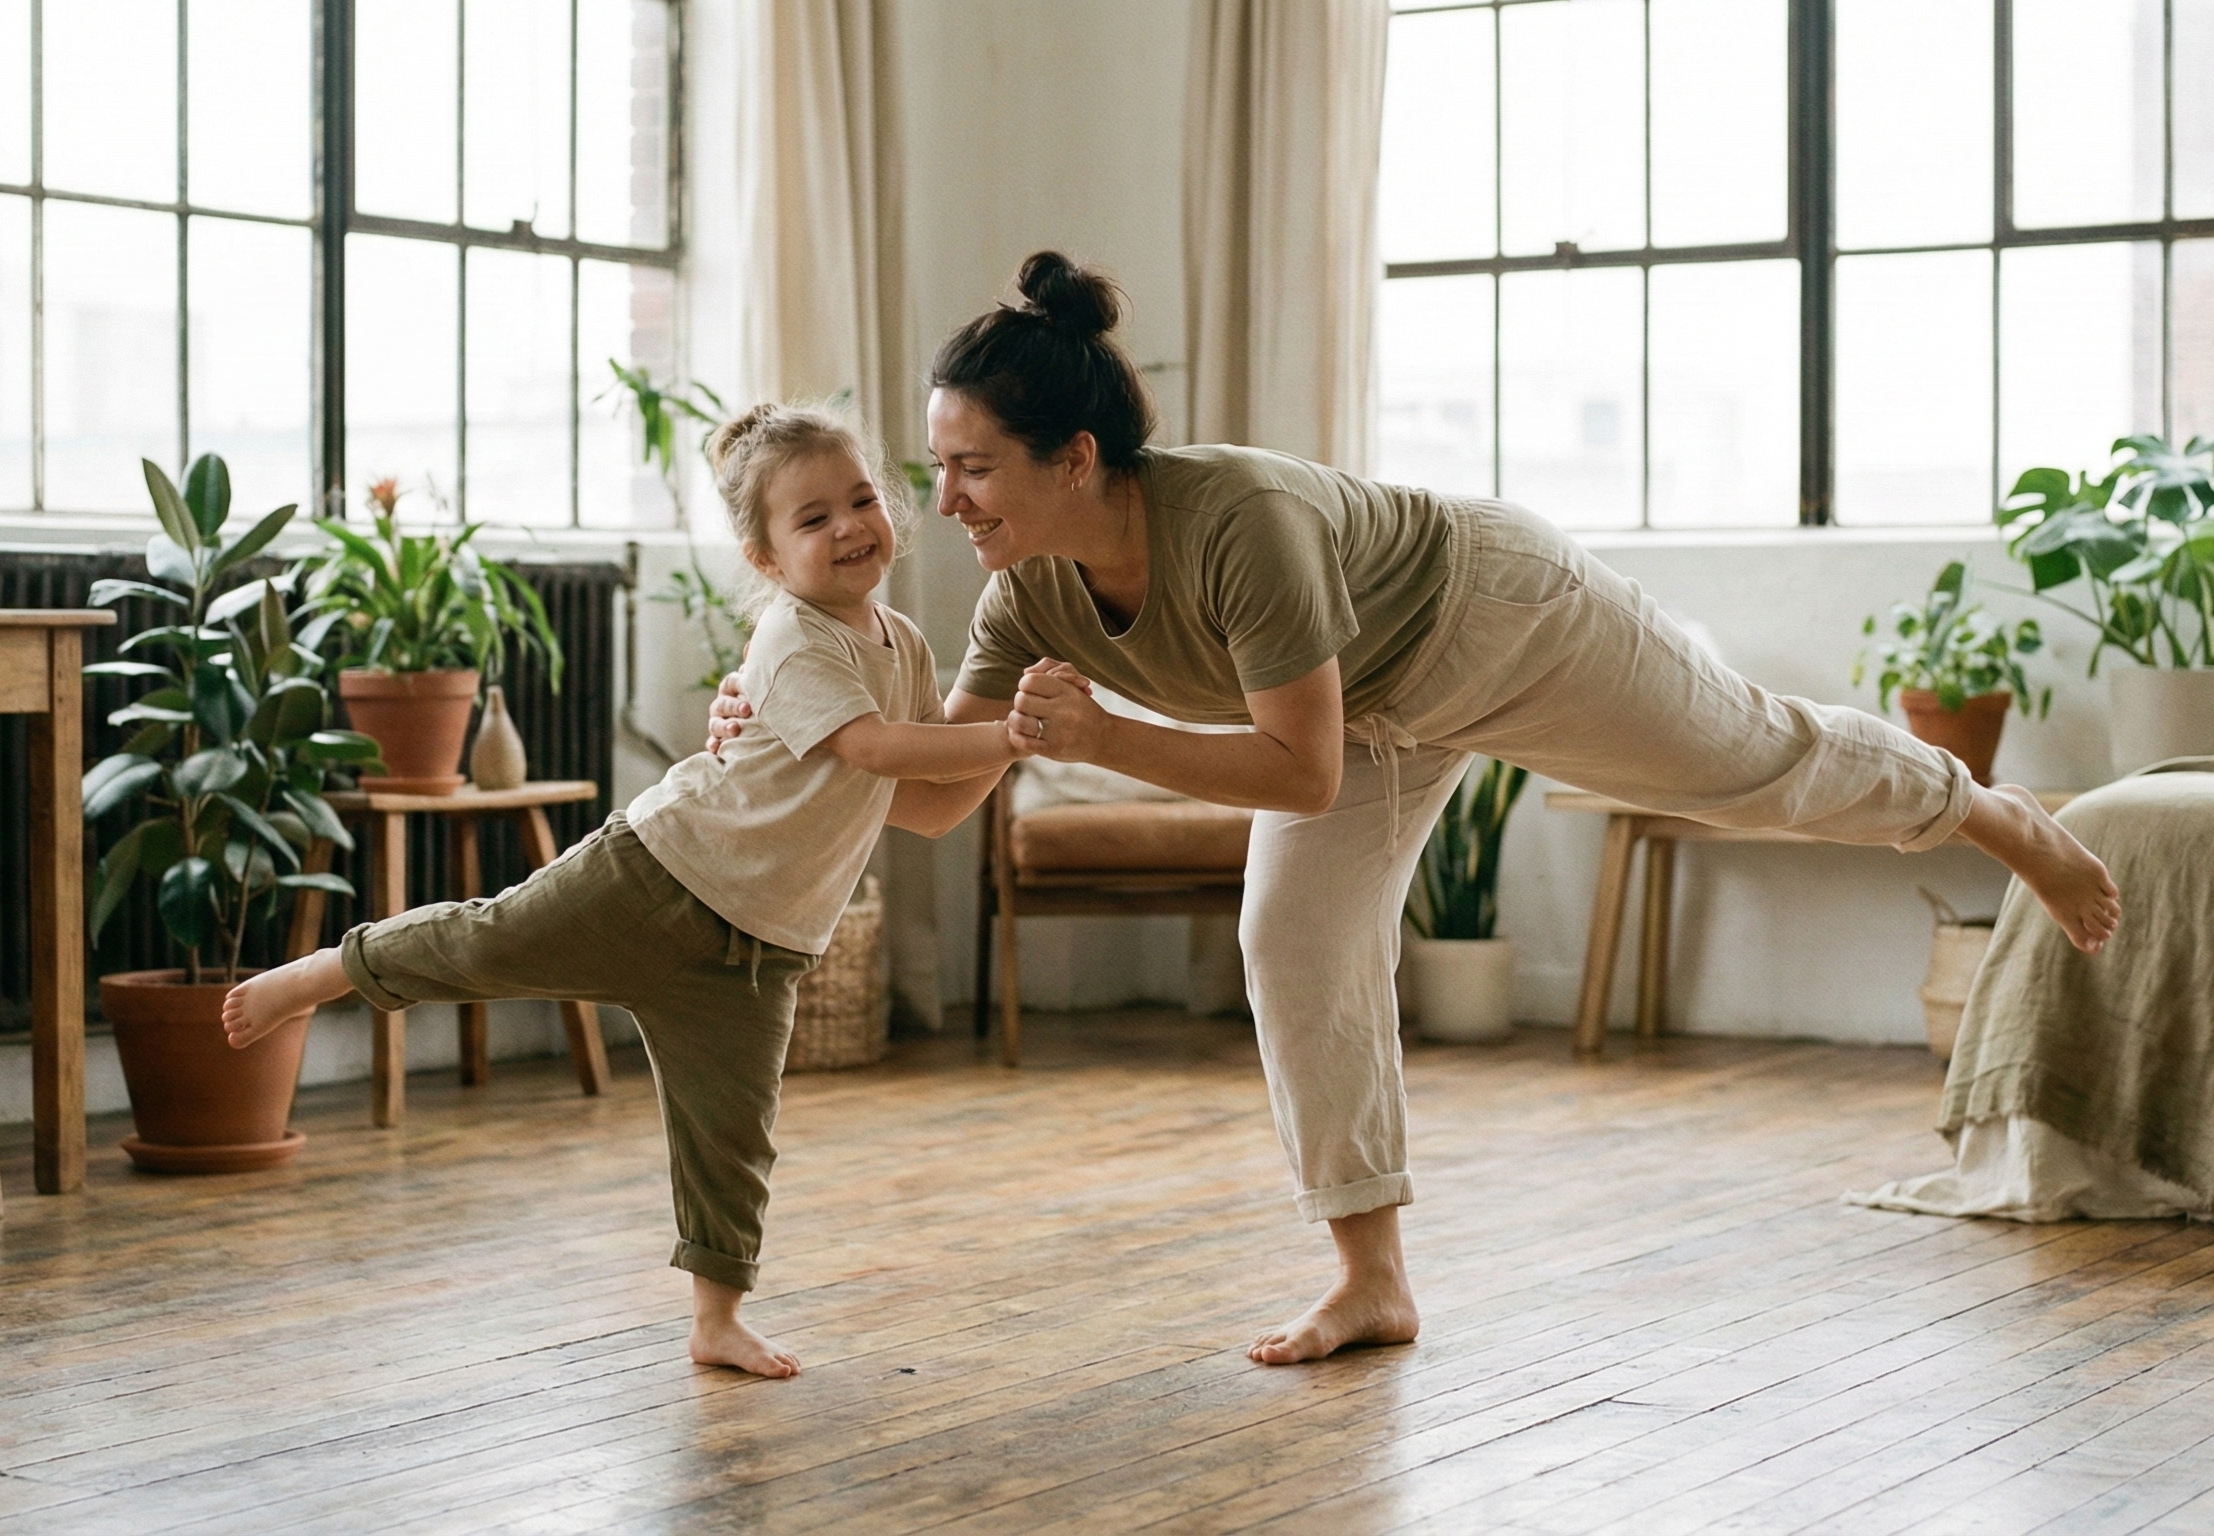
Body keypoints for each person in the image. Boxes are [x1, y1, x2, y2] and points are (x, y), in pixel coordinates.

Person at [709, 251, 2122, 1367]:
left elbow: (1297, 774)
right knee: (1293, 940)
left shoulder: (1236, 522)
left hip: (1498, 622)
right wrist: (787, 739)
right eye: (936, 467)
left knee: (1755, 765)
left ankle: (1991, 817)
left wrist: (1110, 735)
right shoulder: (1026, 594)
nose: (941, 498)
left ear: (1073, 457)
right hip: (1364, 716)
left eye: (971, 466)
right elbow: (940, 803)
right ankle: (1369, 1280)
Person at [225, 404, 1030, 1380]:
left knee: (733, 1140)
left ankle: (716, 1321)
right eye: (812, 519)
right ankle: (321, 972)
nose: (850, 525)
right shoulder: (794, 635)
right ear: (767, 558)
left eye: (861, 499)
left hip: (760, 947)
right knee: (483, 942)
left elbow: (913, 801)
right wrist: (1008, 737)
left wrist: (1013, 737)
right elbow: (868, 748)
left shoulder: (901, 644)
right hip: (658, 876)